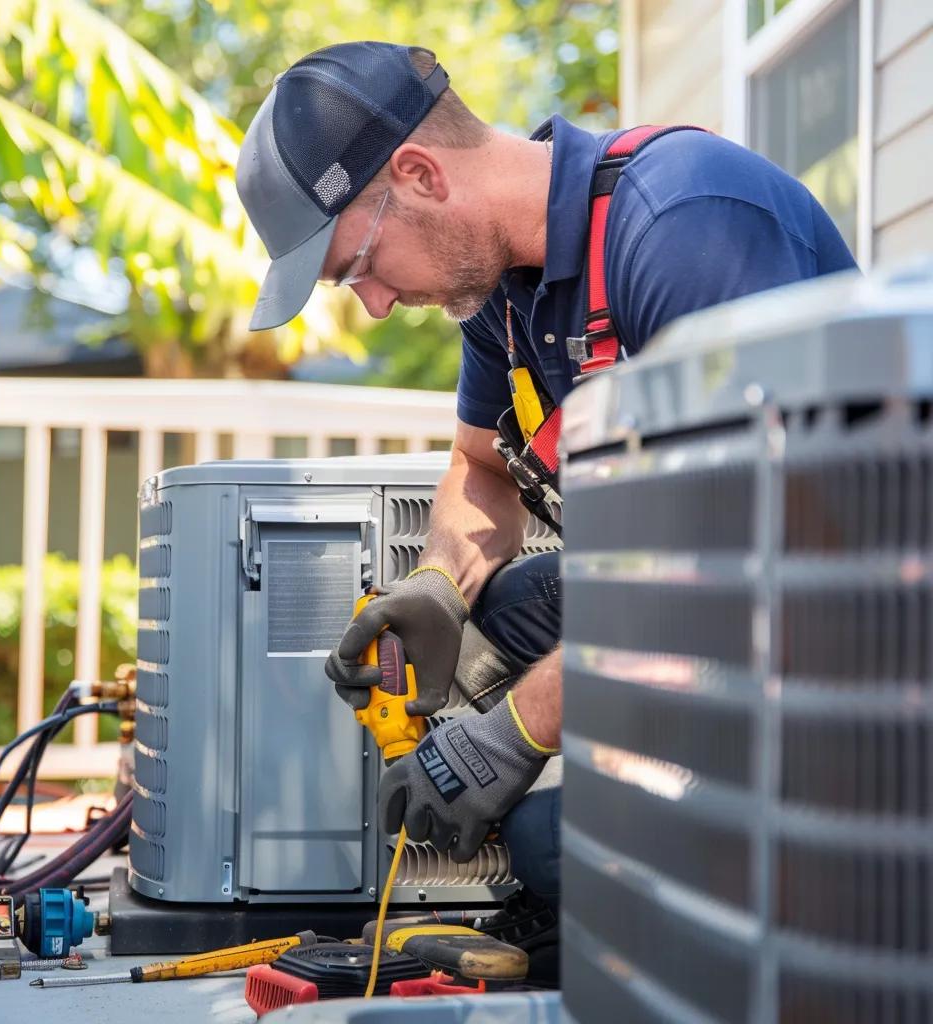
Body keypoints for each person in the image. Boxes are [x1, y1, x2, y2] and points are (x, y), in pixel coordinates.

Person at [234, 40, 857, 976]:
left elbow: (750, 560)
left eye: (356, 264)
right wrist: (438, 587)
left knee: (549, 844)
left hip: (846, 658)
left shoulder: (684, 224)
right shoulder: (504, 296)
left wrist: (519, 729)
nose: (374, 304)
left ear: (420, 174)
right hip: (728, 620)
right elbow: (480, 467)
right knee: (500, 610)